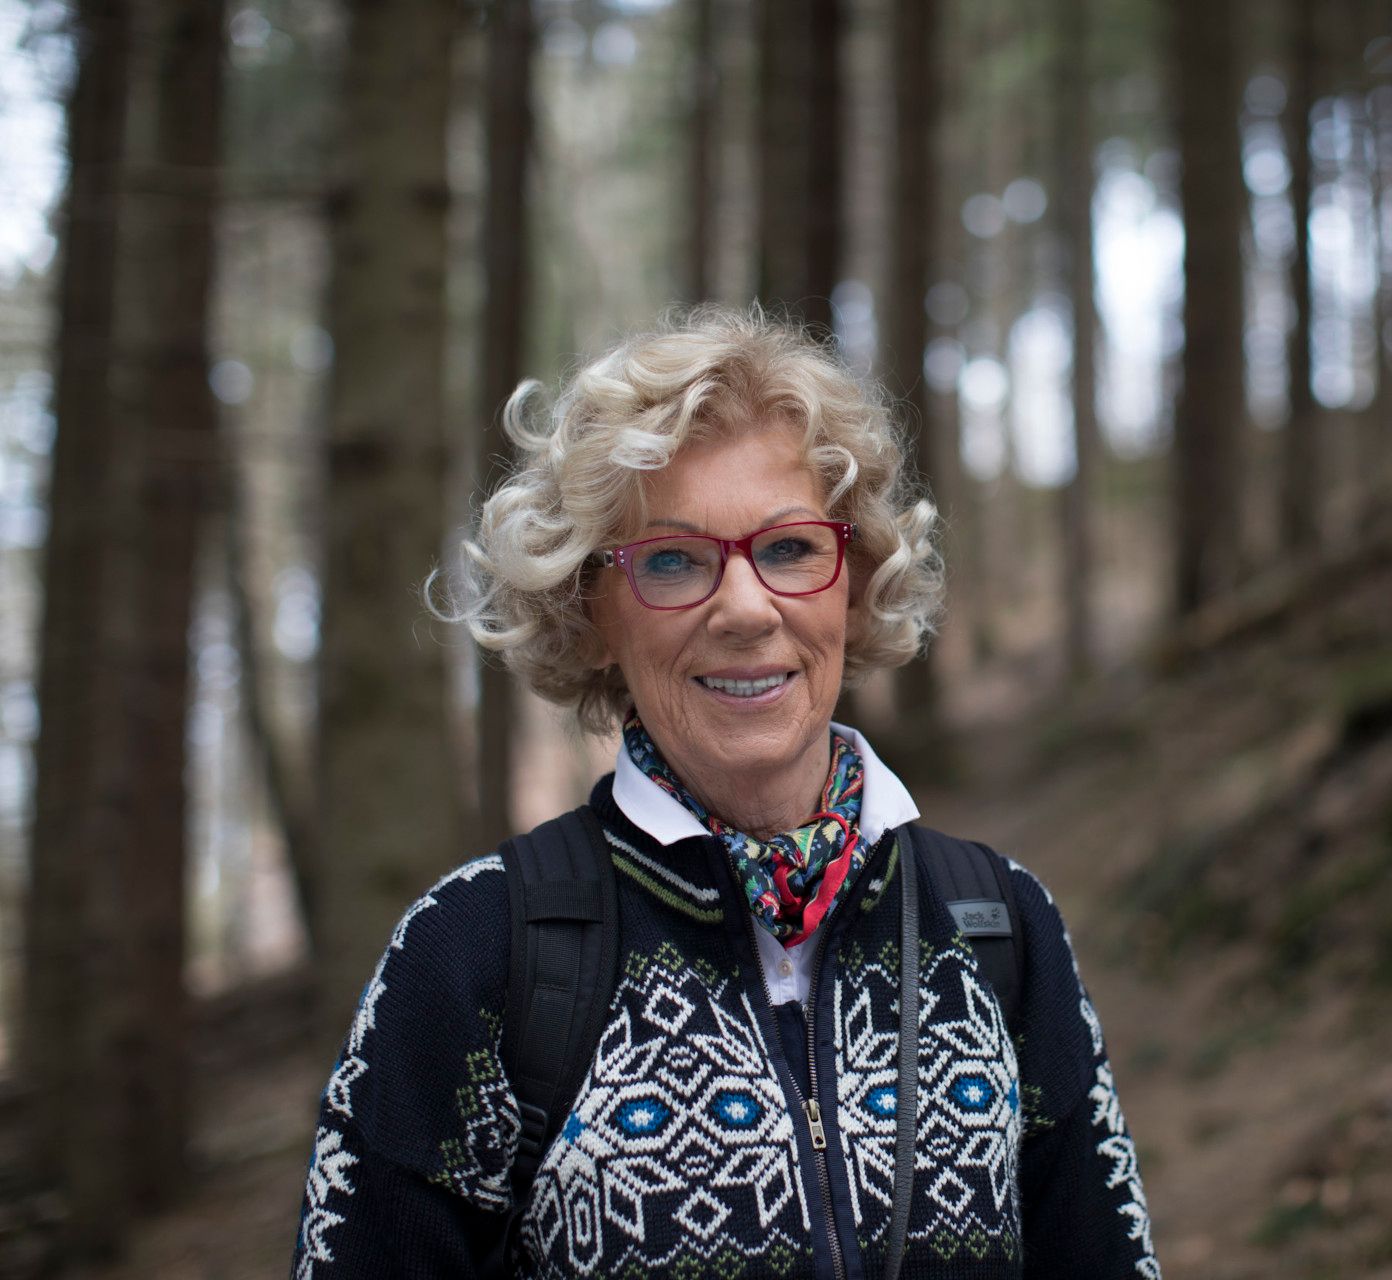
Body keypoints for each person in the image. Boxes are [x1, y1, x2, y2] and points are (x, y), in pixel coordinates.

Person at [289, 308, 1157, 1279]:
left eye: (789, 548)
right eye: (672, 560)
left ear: (854, 577)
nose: (746, 609)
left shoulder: (998, 925)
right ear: (588, 612)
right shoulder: (472, 955)